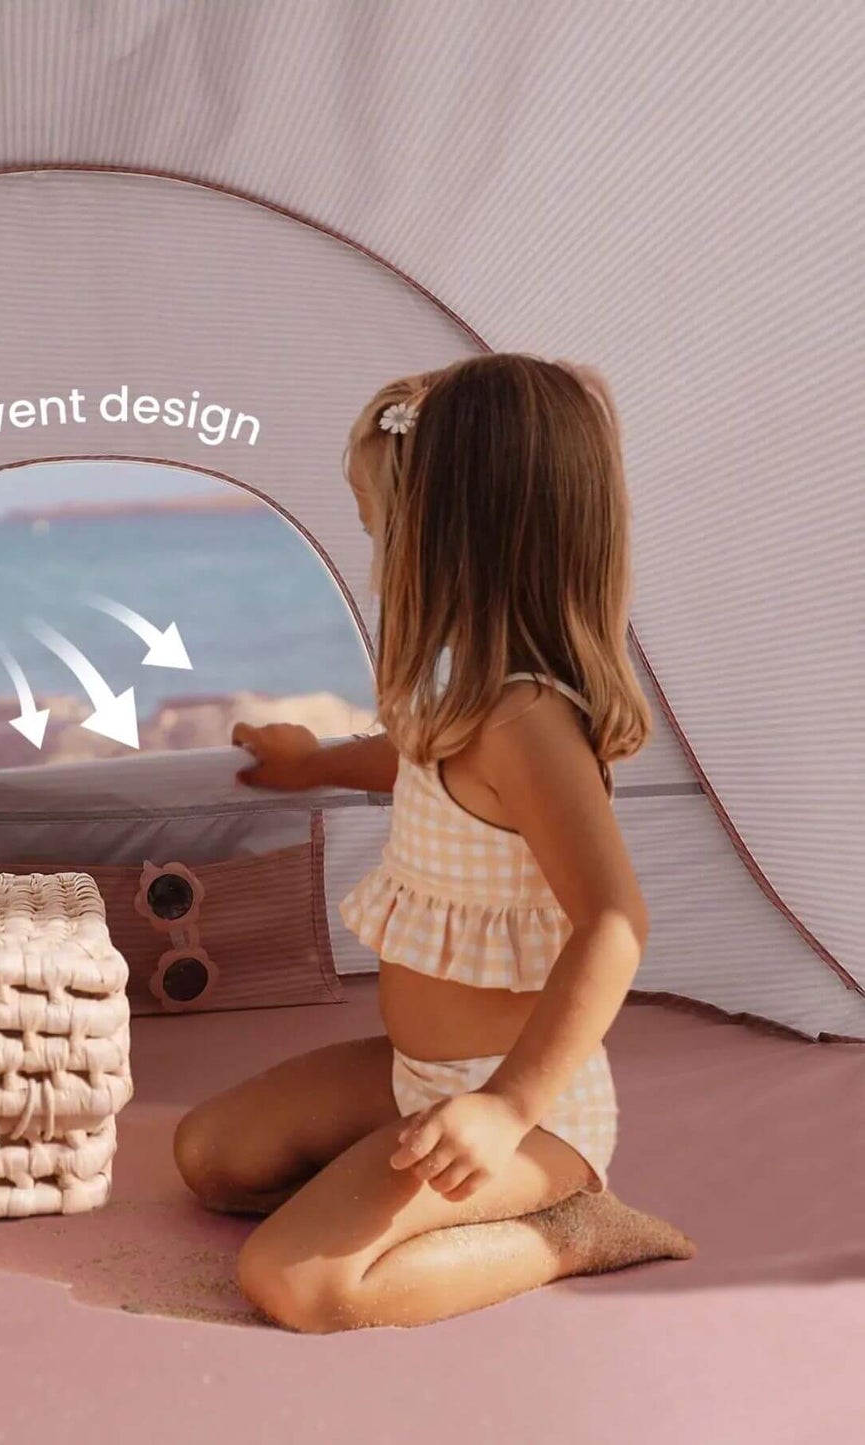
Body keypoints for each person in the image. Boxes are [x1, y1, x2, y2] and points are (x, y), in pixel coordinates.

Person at [173, 353, 695, 1332]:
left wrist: (504, 1106)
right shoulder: (463, 695)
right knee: (210, 1156)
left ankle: (571, 1228)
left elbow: (614, 921)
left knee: (297, 1283)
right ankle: (409, 1187)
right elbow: (415, 763)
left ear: (449, 540)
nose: (376, 560)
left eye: (382, 532)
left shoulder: (529, 722)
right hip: (411, 1073)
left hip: (530, 1110)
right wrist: (311, 763)